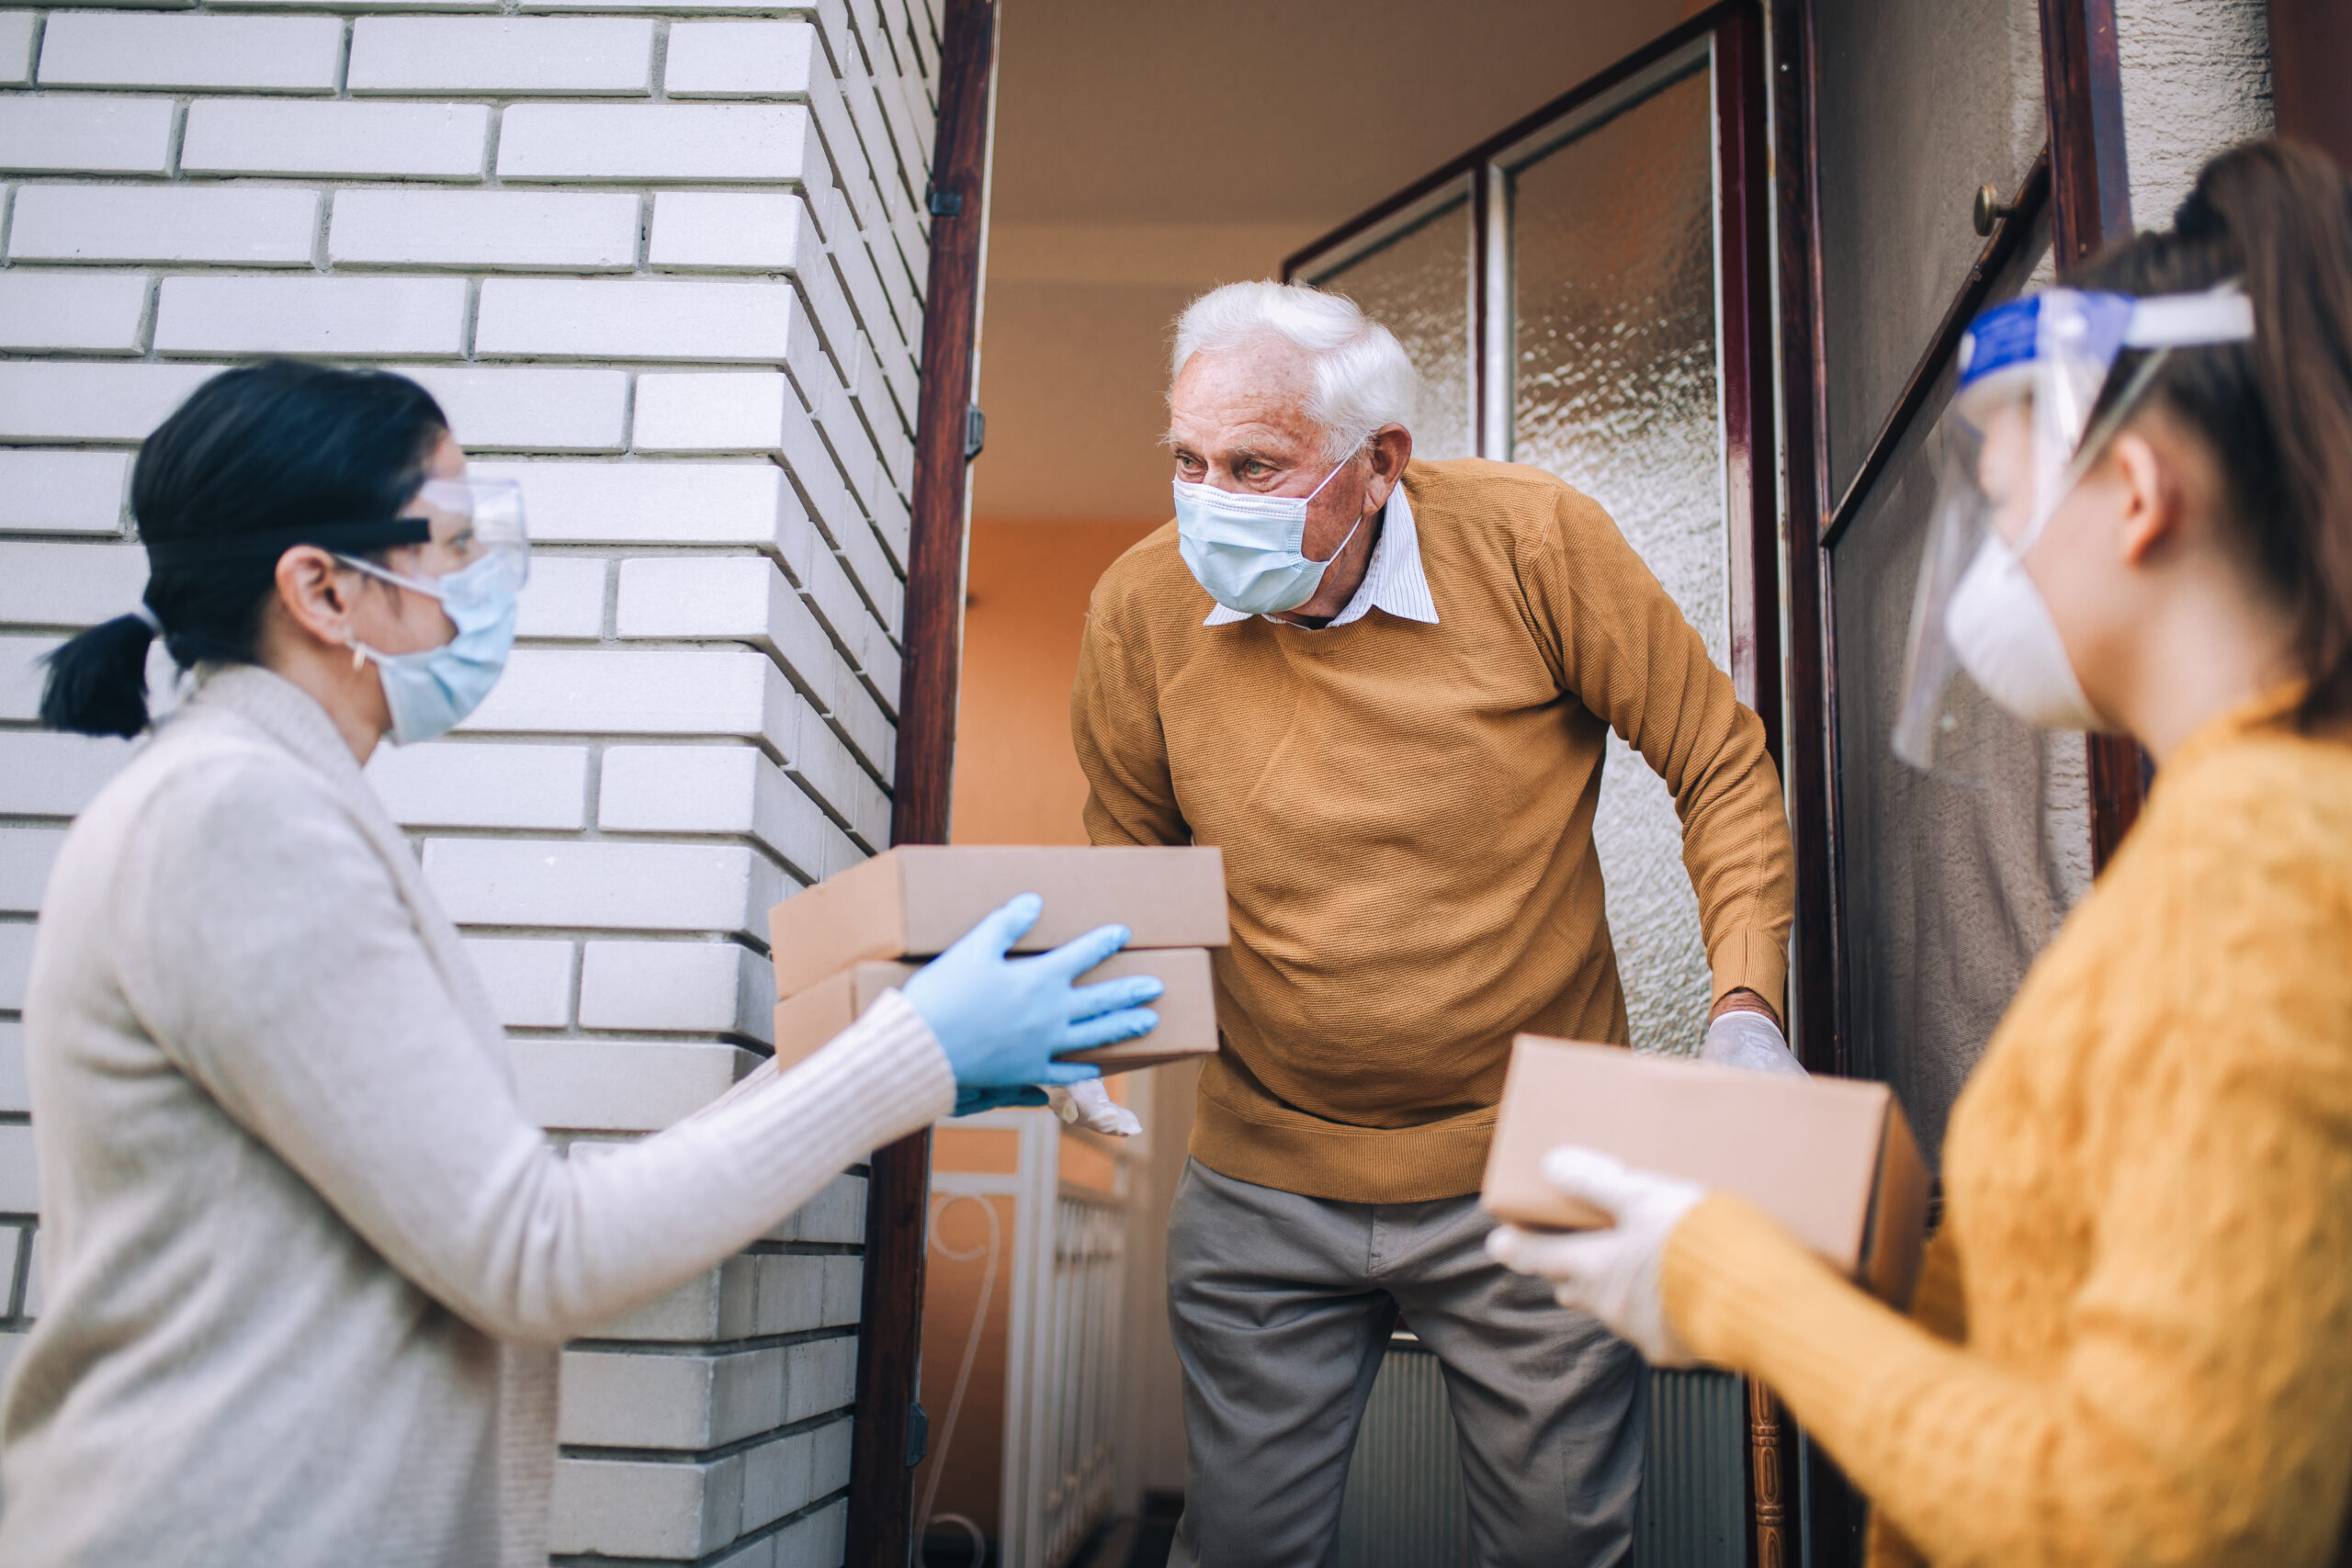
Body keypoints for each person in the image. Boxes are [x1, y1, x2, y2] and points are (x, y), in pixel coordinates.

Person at [3, 359, 1163, 1566]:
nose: (482, 579)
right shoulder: (237, 822)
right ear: (322, 590)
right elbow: (537, 1254)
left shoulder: (266, 801)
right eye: (452, 540)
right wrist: (912, 1048)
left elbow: (493, 1212)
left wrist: (893, 1065)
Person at [1490, 140, 2352, 1566]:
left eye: (2004, 508)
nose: (1987, 571)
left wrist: (1732, 1282)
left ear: (2135, 496)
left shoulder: (2265, 865)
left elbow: (2149, 1520)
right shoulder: (2224, 823)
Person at [1070, 281, 1799, 1565]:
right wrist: (1089, 1028)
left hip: (1535, 1156)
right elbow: (1132, 852)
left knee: (1559, 1548)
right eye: (1186, 460)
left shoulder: (1533, 546)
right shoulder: (1141, 608)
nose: (1206, 499)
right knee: (1237, 1549)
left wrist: (1743, 1009)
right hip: (1262, 1174)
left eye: (1253, 464)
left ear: (1378, 466)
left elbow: (1720, 763)